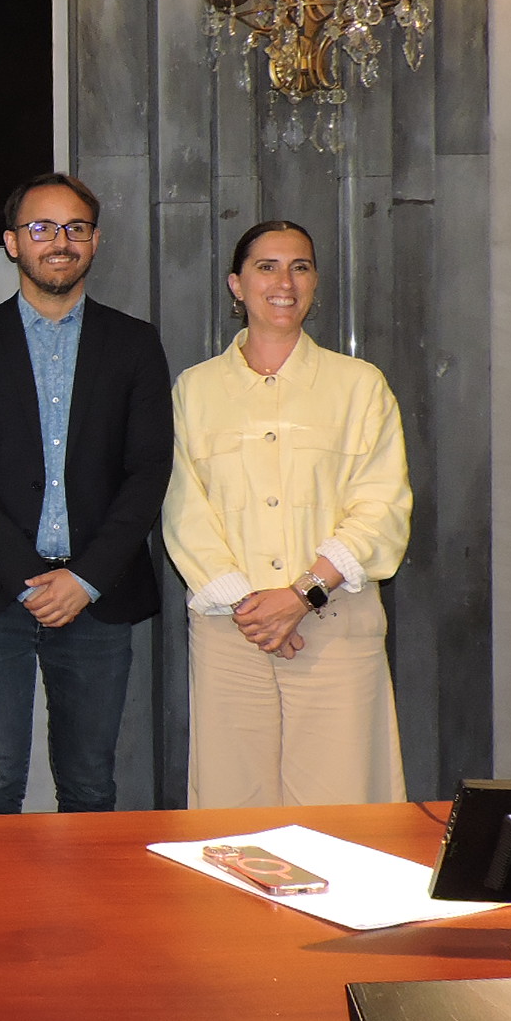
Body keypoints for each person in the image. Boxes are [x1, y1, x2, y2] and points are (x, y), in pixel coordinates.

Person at [0, 173, 172, 815]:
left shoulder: (134, 343)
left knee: (90, 785)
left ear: (95, 241)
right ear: (13, 242)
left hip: (98, 595)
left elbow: (149, 471)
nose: (60, 241)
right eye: (41, 228)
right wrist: (29, 580)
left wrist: (84, 579)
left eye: (75, 228)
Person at [162, 219, 413, 808]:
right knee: (232, 810)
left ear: (315, 283)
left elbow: (382, 506)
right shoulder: (194, 390)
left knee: (341, 809)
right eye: (266, 267)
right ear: (236, 284)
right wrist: (251, 607)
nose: (285, 282)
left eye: (300, 267)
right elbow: (181, 506)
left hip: (334, 622)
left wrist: (302, 595)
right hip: (233, 629)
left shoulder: (360, 386)